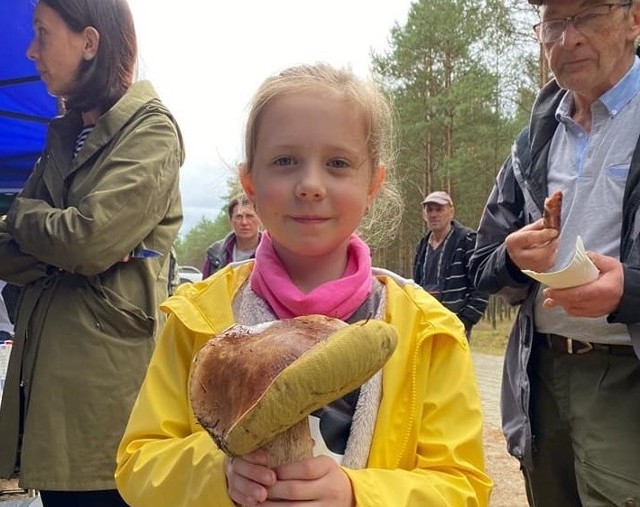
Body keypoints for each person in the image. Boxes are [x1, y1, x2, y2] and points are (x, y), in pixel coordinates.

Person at [115, 63, 491, 506]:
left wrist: (359, 495)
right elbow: (139, 464)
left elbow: (463, 487)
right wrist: (219, 473)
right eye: (285, 161)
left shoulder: (428, 331)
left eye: (337, 163)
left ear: (373, 184)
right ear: (249, 183)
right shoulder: (197, 318)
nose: (311, 185)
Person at [0, 0, 184, 505]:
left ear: (89, 42)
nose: (31, 49)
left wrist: (23, 220)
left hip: (107, 404)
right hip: (50, 394)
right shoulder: (63, 136)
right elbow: (10, 253)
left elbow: (88, 240)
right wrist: (60, 239)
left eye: (42, 33)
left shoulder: (150, 130)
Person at [469, 0, 640, 505]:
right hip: (538, 375)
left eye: (588, 15)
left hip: (625, 372)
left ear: (634, 18)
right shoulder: (532, 143)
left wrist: (630, 290)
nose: (569, 39)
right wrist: (511, 259)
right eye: (555, 23)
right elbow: (482, 265)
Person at [413, 191, 489, 339]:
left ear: (451, 212)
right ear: (424, 215)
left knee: (453, 362)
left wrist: (466, 321)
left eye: (439, 209)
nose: (434, 214)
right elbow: (416, 285)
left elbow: (481, 286)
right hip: (426, 322)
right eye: (429, 210)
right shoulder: (422, 245)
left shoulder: (468, 240)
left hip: (455, 322)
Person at [201, 193, 262, 278]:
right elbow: (205, 288)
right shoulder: (215, 253)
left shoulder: (273, 252)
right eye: (239, 217)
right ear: (230, 221)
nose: (244, 222)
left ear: (260, 219)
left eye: (249, 216)